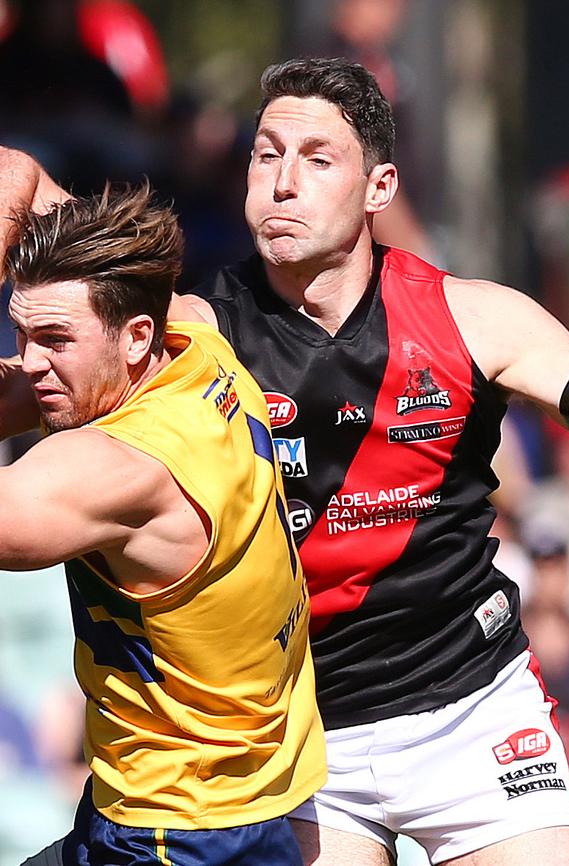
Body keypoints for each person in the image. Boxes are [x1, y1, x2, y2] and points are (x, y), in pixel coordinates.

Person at [2, 56, 569, 866]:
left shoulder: (478, 318)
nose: (281, 181)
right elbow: (19, 185)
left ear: (380, 188)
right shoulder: (191, 339)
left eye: (316, 159)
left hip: (474, 709)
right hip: (310, 734)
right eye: (265, 154)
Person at [0, 183, 325, 865]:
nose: (30, 362)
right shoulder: (199, 346)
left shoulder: (119, 468)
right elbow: (27, 181)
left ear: (136, 336)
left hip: (168, 831)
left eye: (55, 339)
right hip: (246, 797)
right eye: (21, 334)